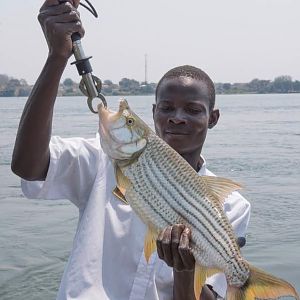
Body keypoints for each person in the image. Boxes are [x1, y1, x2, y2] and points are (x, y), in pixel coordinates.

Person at [11, 1, 251, 299]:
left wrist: (184, 270)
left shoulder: (230, 205)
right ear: (153, 113)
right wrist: (57, 57)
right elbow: (26, 166)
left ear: (212, 118)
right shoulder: (102, 159)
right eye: (167, 108)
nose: (177, 117)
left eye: (193, 109)